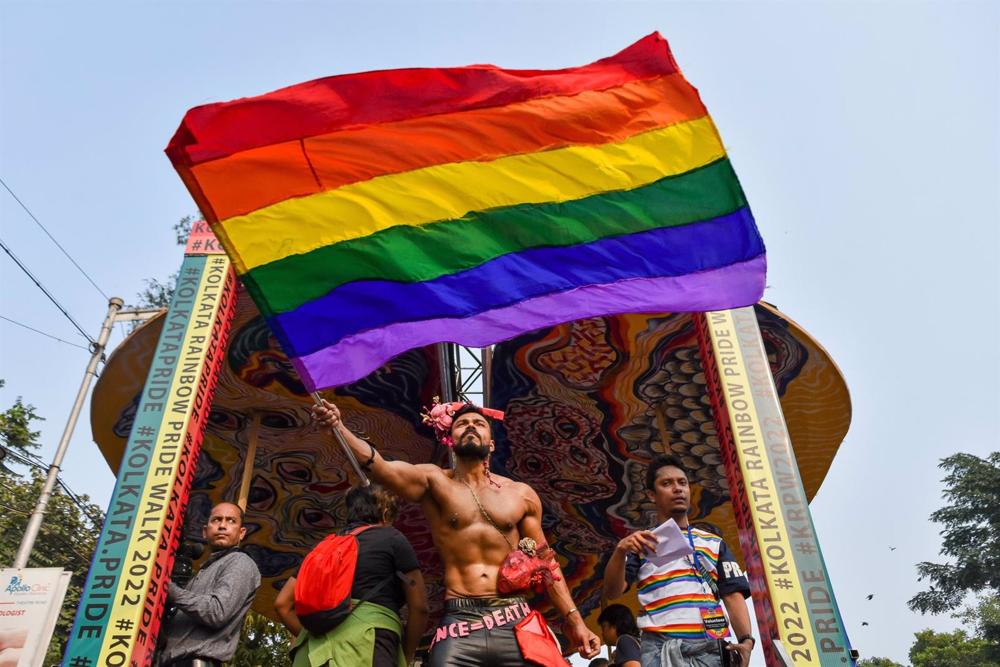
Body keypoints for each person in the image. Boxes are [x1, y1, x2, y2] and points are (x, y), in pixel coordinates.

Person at [312, 399, 601, 665]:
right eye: (463, 424)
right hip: (460, 621)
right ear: (451, 439)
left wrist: (574, 619)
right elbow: (380, 468)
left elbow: (546, 563)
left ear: (492, 444)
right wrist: (338, 426)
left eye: (479, 424)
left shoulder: (521, 495)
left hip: (515, 618)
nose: (471, 427)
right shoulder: (434, 481)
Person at [603, 455, 754, 667]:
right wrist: (620, 551)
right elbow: (613, 591)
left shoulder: (715, 543)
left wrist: (746, 640)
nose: (677, 488)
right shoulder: (641, 543)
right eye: (666, 483)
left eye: (682, 483)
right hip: (659, 649)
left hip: (710, 648)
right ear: (651, 495)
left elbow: (732, 595)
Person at [273, 484, 428, 667]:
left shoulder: (323, 548)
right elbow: (420, 607)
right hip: (367, 644)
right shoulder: (392, 538)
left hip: (311, 655)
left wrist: (323, 638)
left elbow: (282, 604)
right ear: (386, 513)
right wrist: (406, 654)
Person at [158, 502, 261, 667]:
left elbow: (217, 612)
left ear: (241, 533)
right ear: (205, 532)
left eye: (231, 521)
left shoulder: (240, 562)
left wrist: (166, 588)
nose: (222, 525)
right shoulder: (204, 571)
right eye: (217, 520)